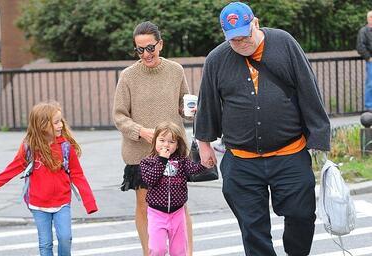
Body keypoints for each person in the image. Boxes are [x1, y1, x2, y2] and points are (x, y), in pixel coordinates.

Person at [195, 2, 331, 256]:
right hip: (242, 160)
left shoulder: (284, 43)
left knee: (301, 215)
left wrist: (319, 138)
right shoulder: (217, 59)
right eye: (234, 40)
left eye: (245, 36)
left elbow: (308, 89)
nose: (241, 43)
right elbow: (208, 104)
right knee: (252, 226)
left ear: (255, 23)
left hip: (289, 152)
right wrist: (204, 145)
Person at [112, 21, 195, 255]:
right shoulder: (128, 76)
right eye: (140, 49)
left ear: (160, 44)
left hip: (173, 151)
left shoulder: (176, 70)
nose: (146, 54)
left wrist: (189, 110)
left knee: (179, 204)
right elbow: (119, 116)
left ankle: (186, 252)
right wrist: (141, 131)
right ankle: (150, 252)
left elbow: (182, 104)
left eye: (150, 48)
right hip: (140, 152)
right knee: (144, 203)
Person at [0, 101, 98, 256]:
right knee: (45, 244)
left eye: (60, 121)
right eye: (56, 122)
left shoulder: (65, 147)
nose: (61, 125)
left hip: (62, 202)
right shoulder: (30, 147)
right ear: (43, 126)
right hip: (38, 204)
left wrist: (89, 202)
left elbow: (77, 175)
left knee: (65, 238)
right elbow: (11, 169)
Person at [140, 121, 208, 256]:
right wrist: (162, 160)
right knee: (157, 249)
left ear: (177, 145)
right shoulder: (147, 162)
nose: (166, 144)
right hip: (156, 213)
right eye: (162, 140)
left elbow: (193, 170)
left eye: (171, 142)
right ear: (154, 142)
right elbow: (150, 180)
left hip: (178, 213)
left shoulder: (182, 160)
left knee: (179, 251)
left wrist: (205, 163)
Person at [357, 10, 372, 111]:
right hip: (371, 61)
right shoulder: (363, 31)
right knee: (370, 84)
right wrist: (369, 58)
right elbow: (360, 46)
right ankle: (368, 107)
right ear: (368, 18)